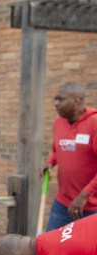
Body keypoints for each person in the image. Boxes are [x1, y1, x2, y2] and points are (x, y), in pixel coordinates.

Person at [41, 82, 97, 231]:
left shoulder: (94, 123)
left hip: (91, 207)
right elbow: (57, 149)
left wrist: (84, 196)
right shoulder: (58, 123)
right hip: (62, 203)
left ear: (76, 101)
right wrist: (50, 162)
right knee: (51, 248)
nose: (56, 104)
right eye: (55, 99)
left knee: (88, 253)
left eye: (61, 99)